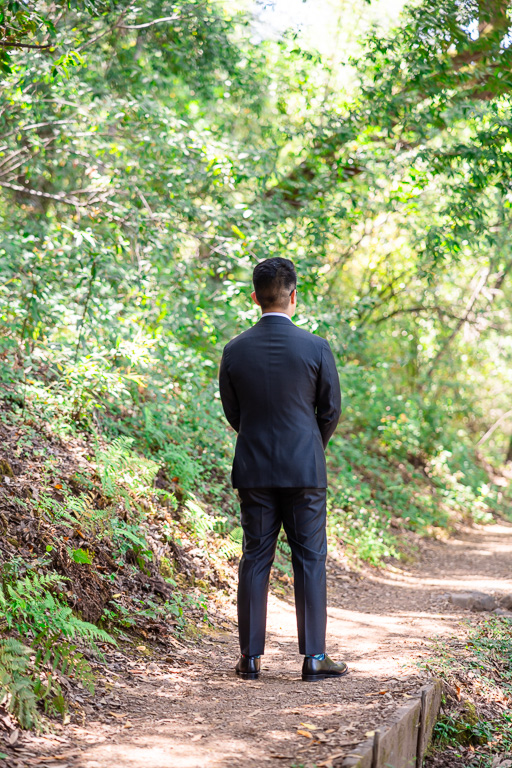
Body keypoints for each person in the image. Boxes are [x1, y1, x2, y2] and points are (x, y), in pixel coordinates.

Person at [218, 256, 348, 682]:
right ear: (294, 297)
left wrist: (258, 439)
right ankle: (313, 658)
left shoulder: (235, 350)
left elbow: (233, 412)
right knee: (310, 559)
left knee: (255, 556)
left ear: (254, 297)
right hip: (304, 469)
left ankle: (250, 659)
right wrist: (310, 445)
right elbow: (330, 410)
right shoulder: (315, 347)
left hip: (254, 468)